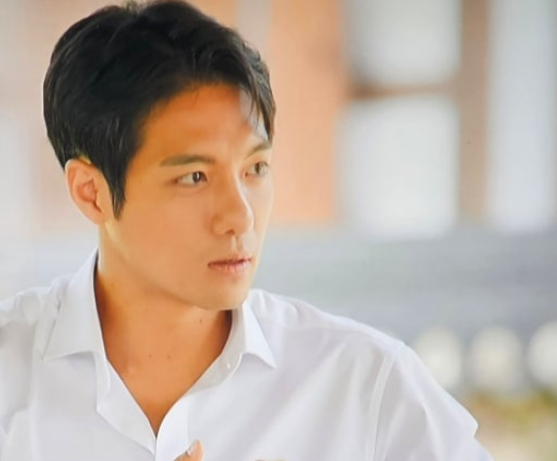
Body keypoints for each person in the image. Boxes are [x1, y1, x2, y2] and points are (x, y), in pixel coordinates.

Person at [0, 1, 493, 460]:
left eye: (255, 169)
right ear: (92, 192)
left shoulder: (366, 388)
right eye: (194, 177)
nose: (240, 216)